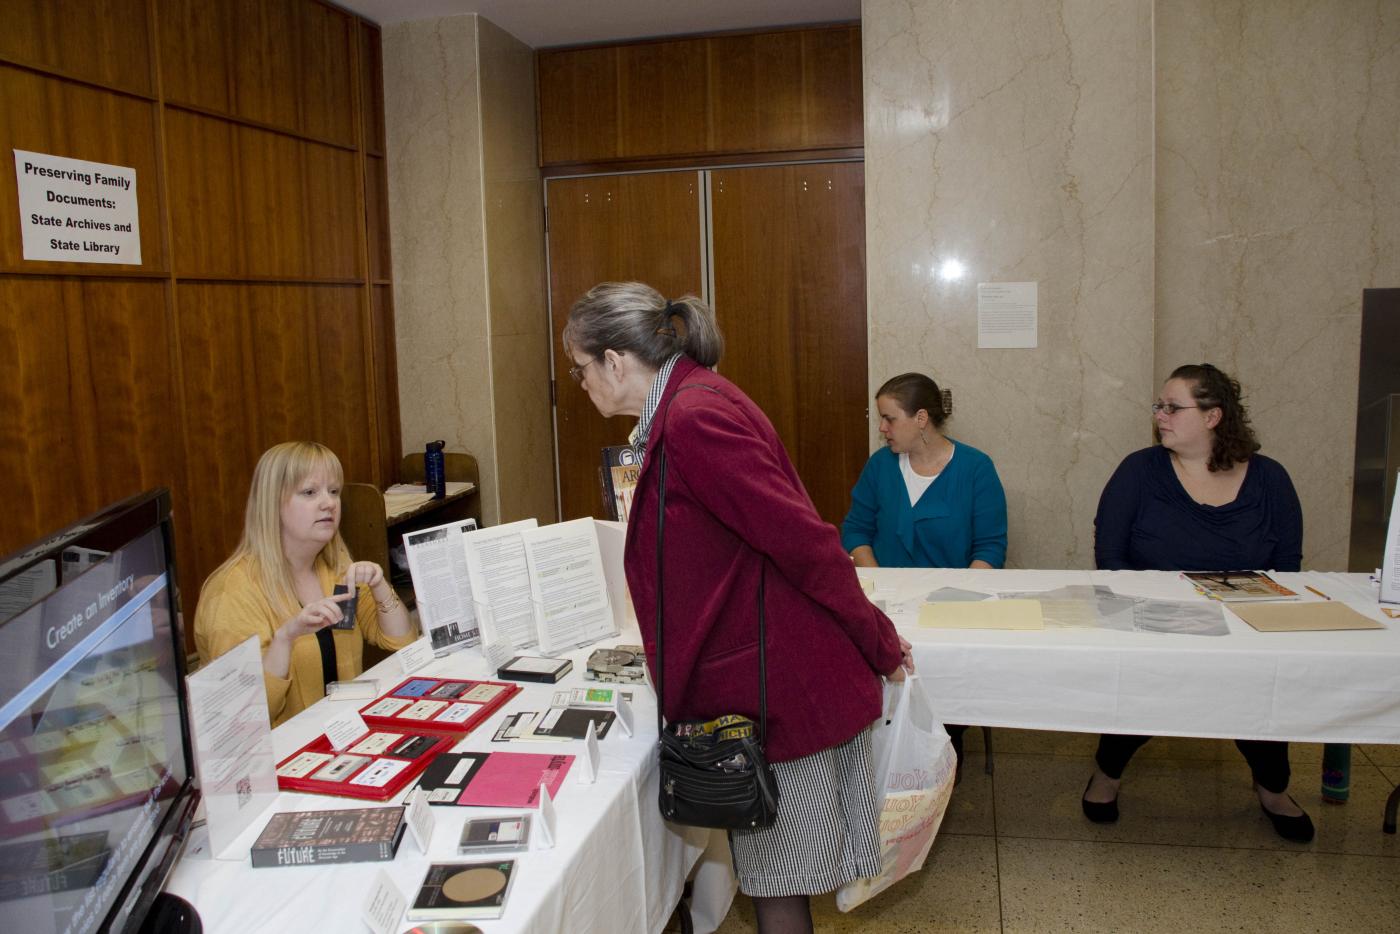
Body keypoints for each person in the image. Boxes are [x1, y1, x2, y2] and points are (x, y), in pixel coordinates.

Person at [564, 282, 914, 934]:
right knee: (774, 881)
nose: (579, 384)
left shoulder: (694, 417)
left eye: (580, 369)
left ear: (614, 361)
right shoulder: (687, 402)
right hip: (765, 670)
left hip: (779, 684)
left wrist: (878, 638)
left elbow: (802, 540)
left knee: (776, 884)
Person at [1085, 363, 1311, 842]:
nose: (1160, 415)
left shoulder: (1270, 478)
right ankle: (1107, 773)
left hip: (1245, 626)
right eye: (1159, 406)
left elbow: (1287, 564)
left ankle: (1272, 788)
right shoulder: (1139, 471)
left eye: (1173, 407)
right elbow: (1110, 556)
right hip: (1154, 622)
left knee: (1260, 691)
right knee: (1144, 688)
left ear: (1212, 416)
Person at [841, 372, 1007, 772]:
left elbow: (990, 548)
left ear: (920, 419)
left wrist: (956, 603)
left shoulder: (975, 468)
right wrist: (881, 587)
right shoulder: (880, 467)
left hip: (951, 609)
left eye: (889, 418)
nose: (882, 428)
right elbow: (856, 531)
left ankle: (944, 743)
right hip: (885, 607)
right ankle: (879, 751)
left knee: (944, 677)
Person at [194, 441, 418, 727]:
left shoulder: (336, 567)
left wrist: (380, 587)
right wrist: (285, 639)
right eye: (310, 492)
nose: (329, 503)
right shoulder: (231, 592)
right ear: (272, 503)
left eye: (334, 491)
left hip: (339, 732)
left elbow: (401, 641)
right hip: (278, 748)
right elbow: (241, 715)